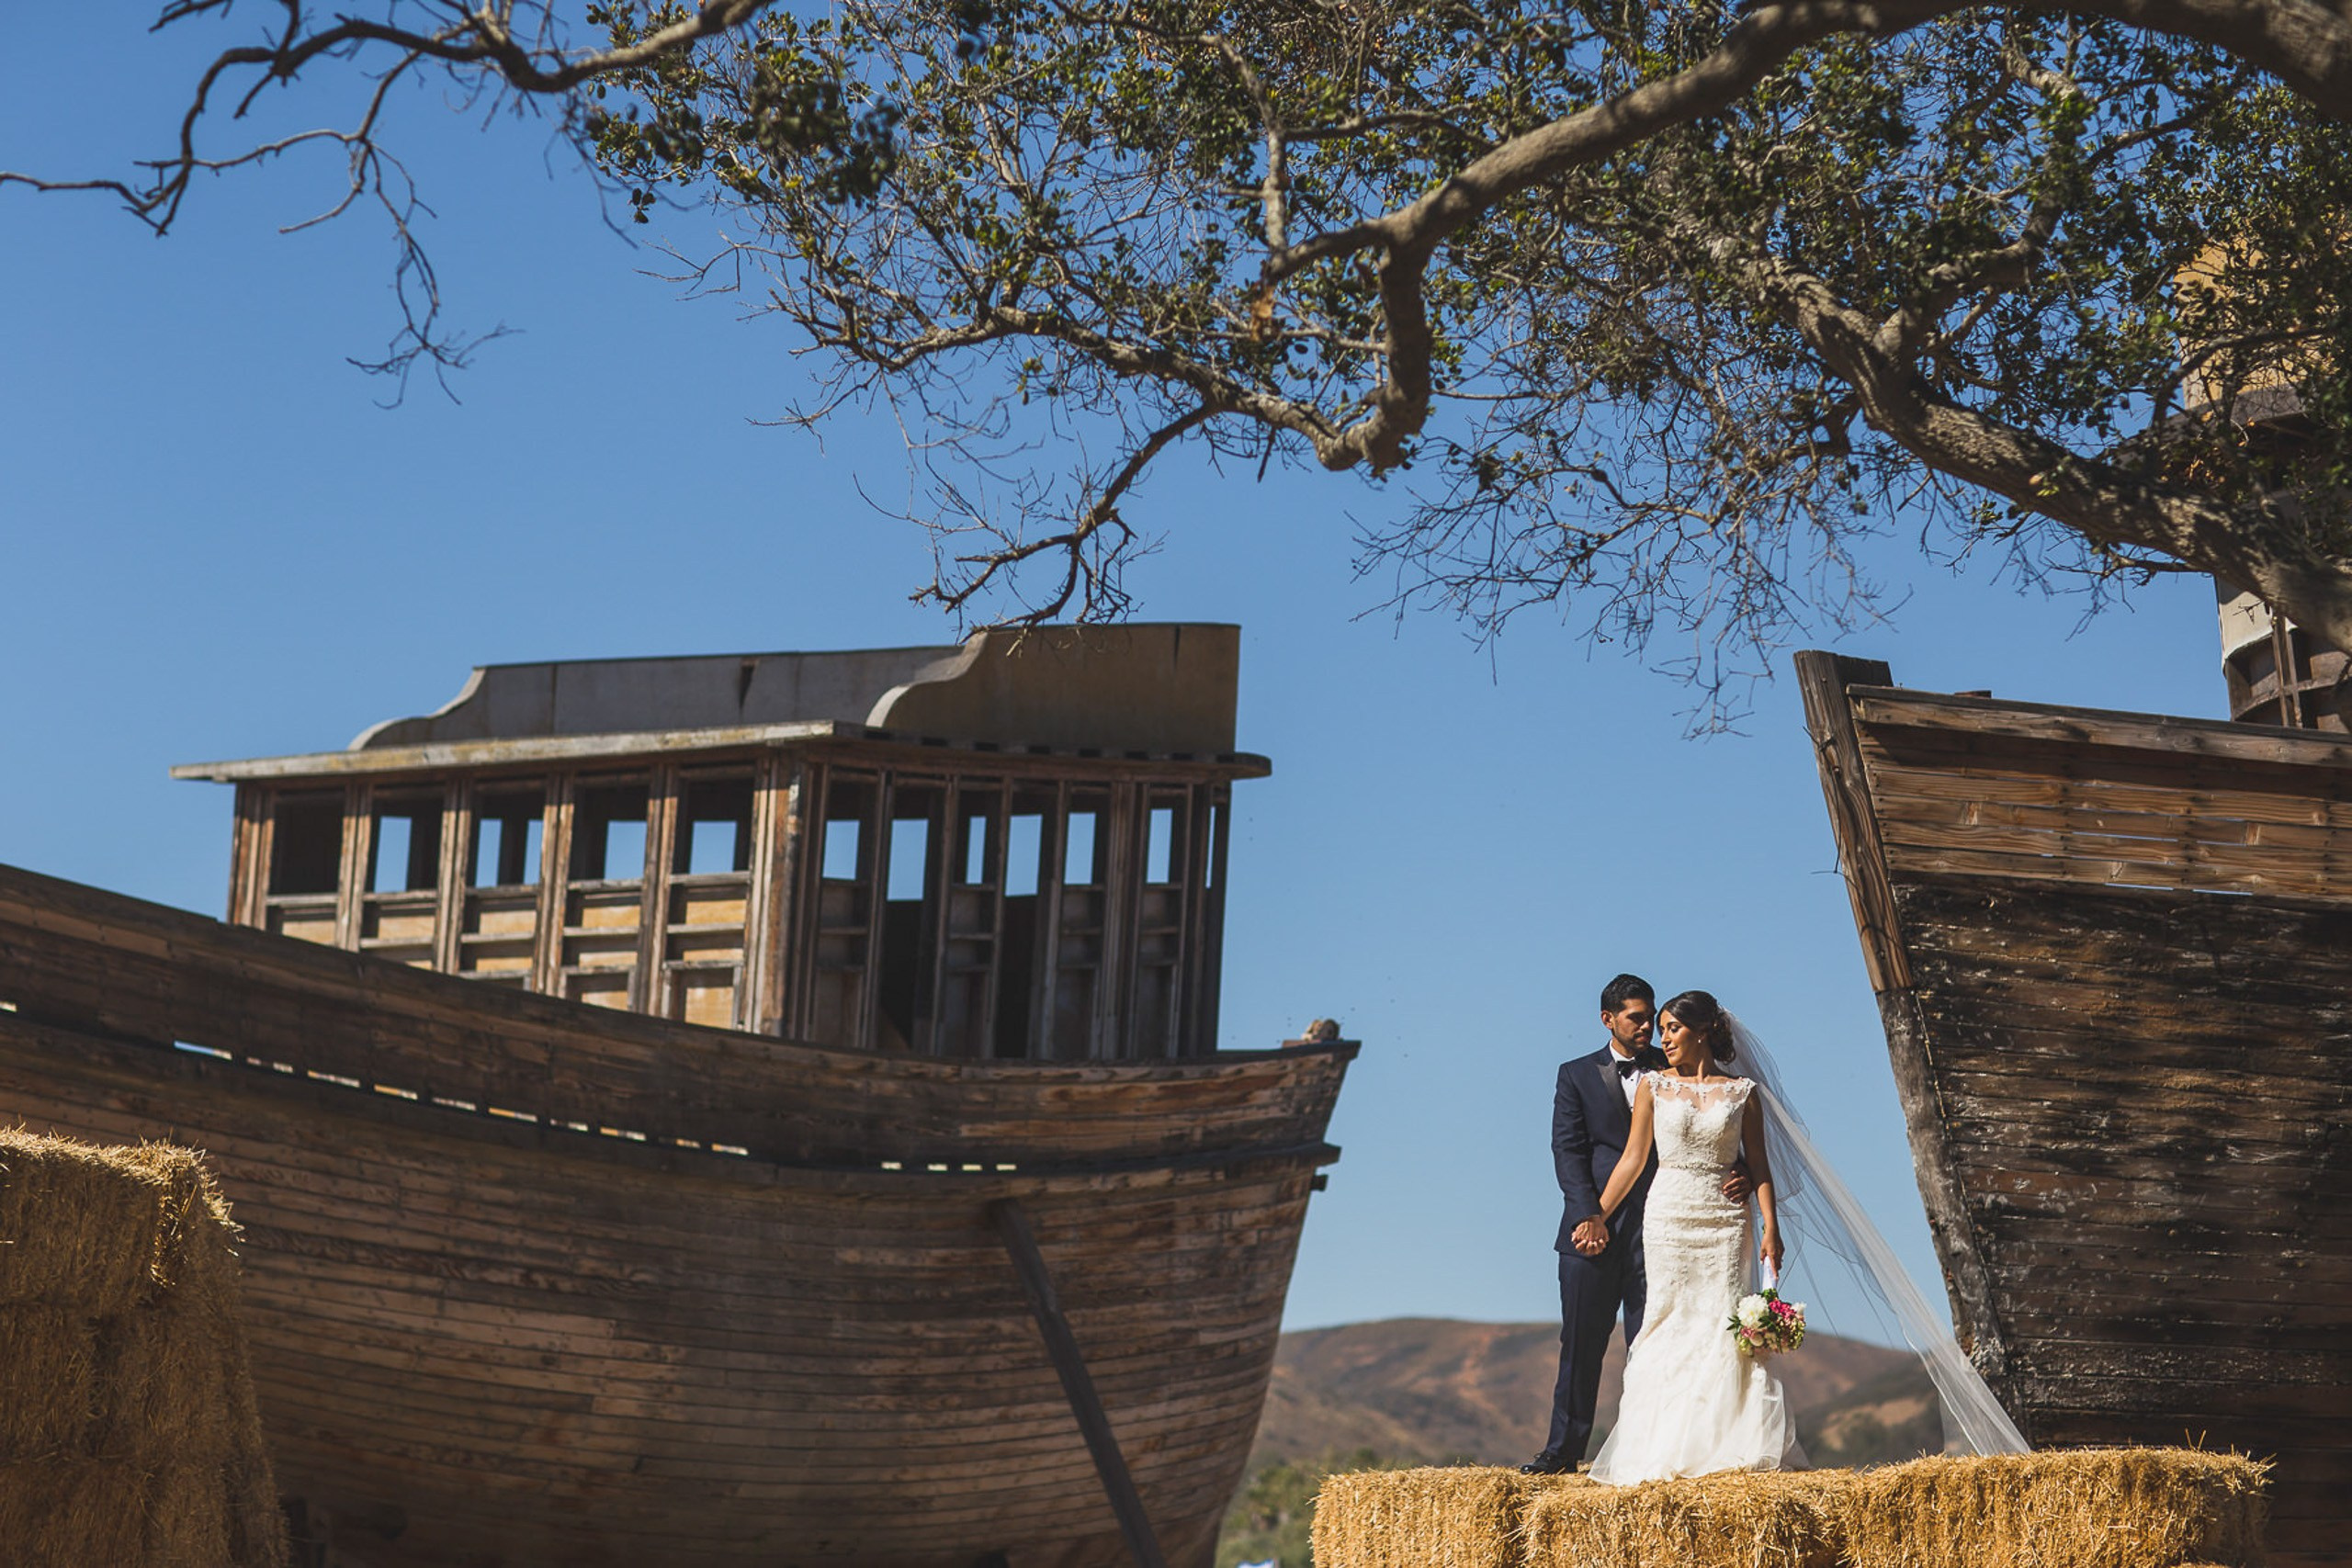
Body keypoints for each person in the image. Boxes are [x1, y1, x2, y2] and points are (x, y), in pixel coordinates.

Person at [1521, 976, 1747, 1475]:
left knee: (1654, 1345)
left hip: (1666, 1231)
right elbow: (1568, 1150)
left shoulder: (1675, 1066)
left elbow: (1722, 1123)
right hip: (1591, 1229)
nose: (1649, 1027)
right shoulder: (1575, 1075)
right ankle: (1563, 1450)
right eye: (1637, 1018)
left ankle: (1650, 1451)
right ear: (1608, 1020)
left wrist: (1743, 1171)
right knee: (1581, 1343)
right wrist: (1589, 1216)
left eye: (1653, 1018)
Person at [1584, 989, 1805, 1483]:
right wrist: (1597, 1215)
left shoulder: (1742, 1093)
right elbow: (1634, 1159)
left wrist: (1771, 1226)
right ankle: (1658, 1447)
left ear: (1702, 1031)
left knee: (1721, 1320)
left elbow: (1761, 1165)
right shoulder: (1653, 1086)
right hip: (1668, 1217)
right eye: (1660, 1029)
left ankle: (1728, 1442)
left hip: (1725, 1221)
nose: (1663, 1038)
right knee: (1668, 1319)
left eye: (1673, 1029)